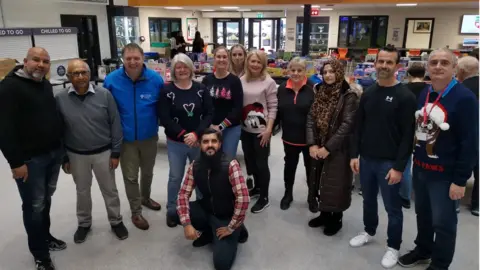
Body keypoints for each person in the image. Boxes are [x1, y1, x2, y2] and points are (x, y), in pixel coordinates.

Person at [398, 48, 479, 270]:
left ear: (455, 68)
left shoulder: (465, 98)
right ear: (427, 68)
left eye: (445, 62)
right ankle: (423, 249)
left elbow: (470, 142)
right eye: (433, 62)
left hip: (445, 175)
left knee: (443, 223)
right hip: (422, 168)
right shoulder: (425, 93)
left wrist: (460, 180)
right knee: (423, 215)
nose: (438, 66)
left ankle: (440, 264)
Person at [349, 46, 417, 269]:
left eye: (389, 62)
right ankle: (369, 231)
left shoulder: (405, 97)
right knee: (368, 200)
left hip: (389, 163)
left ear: (398, 66)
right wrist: (354, 154)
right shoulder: (368, 93)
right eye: (381, 62)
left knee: (392, 207)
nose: (384, 66)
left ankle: (393, 246)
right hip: (366, 159)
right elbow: (358, 127)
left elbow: (408, 136)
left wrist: (399, 167)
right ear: (375, 63)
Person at [0, 47, 66, 270]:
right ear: (25, 62)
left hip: (52, 154)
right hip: (30, 161)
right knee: (33, 206)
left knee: (45, 201)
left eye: (45, 61)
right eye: (36, 60)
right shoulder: (9, 88)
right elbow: (4, 129)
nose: (41, 64)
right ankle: (40, 255)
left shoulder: (44, 84)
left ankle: (45, 237)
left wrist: (61, 151)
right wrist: (16, 163)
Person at [56, 59, 128, 243]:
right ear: (68, 76)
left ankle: (116, 221)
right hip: (76, 154)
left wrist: (116, 152)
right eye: (75, 73)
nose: (80, 77)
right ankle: (84, 223)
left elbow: (115, 124)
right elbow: (59, 130)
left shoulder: (104, 95)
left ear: (89, 74)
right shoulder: (60, 99)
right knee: (82, 191)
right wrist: (64, 157)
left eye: (83, 72)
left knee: (110, 190)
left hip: (104, 153)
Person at [103, 43, 164, 231]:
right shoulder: (112, 80)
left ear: (142, 58)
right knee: (130, 177)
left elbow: (163, 107)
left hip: (149, 137)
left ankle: (145, 197)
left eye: (136, 58)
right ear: (123, 59)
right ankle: (136, 211)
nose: (132, 62)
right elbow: (105, 111)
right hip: (126, 140)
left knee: (147, 172)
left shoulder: (155, 80)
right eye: (128, 58)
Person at [177, 128, 250, 270]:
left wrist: (231, 227)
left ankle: (239, 229)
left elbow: (243, 198)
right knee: (175, 214)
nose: (210, 145)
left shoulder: (231, 165)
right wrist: (186, 224)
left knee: (221, 264)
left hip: (226, 218)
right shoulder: (195, 165)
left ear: (220, 144)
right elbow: (183, 194)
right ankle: (210, 231)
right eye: (205, 142)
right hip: (206, 209)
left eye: (214, 141)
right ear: (200, 144)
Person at [306, 59, 361, 236]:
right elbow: (311, 118)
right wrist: (312, 143)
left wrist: (328, 147)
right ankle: (323, 214)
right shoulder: (320, 91)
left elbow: (347, 125)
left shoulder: (348, 95)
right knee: (319, 181)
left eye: (332, 71)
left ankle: (335, 218)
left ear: (339, 73)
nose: (328, 75)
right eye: (325, 72)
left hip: (338, 148)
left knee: (336, 184)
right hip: (319, 144)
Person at [158, 53, 214, 227]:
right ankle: (172, 210)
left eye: (185, 66)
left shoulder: (200, 89)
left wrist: (196, 134)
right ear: (174, 70)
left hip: (198, 142)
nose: (182, 70)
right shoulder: (167, 90)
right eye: (178, 67)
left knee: (199, 175)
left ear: (191, 68)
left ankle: (201, 206)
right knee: (176, 176)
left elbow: (209, 113)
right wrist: (184, 134)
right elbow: (164, 117)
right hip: (176, 142)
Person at [274, 57, 314, 211]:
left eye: (300, 70)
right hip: (289, 137)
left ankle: (312, 196)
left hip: (309, 140)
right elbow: (277, 111)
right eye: (293, 70)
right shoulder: (282, 88)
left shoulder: (313, 88)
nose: (296, 73)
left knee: (311, 168)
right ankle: (288, 194)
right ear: (288, 70)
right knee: (289, 166)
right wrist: (270, 129)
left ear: (305, 71)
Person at [240, 50, 278, 213]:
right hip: (245, 129)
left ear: (263, 64)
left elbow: (273, 106)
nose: (255, 64)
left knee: (261, 164)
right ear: (247, 62)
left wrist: (269, 130)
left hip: (261, 131)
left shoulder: (268, 82)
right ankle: (256, 187)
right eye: (252, 61)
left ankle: (264, 197)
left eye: (258, 62)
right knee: (250, 162)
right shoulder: (242, 79)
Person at [202, 46, 244, 157]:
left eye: (224, 57)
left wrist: (220, 126)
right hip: (210, 127)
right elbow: (203, 105)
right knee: (211, 159)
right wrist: (210, 125)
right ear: (214, 59)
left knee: (227, 161)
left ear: (228, 59)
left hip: (231, 128)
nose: (221, 59)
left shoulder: (235, 81)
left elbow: (237, 108)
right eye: (218, 57)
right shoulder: (207, 80)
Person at [400, 62, 428, 209]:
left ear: (409, 75)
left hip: (405, 130)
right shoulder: (429, 90)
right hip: (425, 131)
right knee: (421, 163)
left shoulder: (403, 89)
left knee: (405, 163)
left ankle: (404, 196)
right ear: (424, 75)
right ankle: (421, 196)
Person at [456, 56, 479, 216]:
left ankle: (455, 201)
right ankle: (477, 205)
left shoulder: (460, 89)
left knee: (460, 166)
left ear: (461, 71)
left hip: (464, 135)